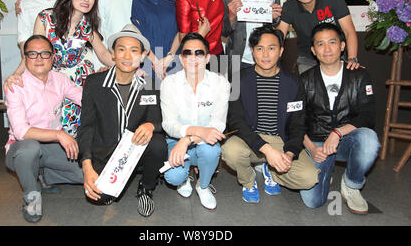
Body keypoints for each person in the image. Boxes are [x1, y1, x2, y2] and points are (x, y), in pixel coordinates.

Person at [5, 0, 114, 137]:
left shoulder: (86, 26)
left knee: (79, 128)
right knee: (48, 125)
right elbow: (34, 52)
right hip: (52, 82)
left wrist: (128, 65)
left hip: (80, 83)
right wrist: (16, 74)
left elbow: (104, 54)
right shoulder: (46, 18)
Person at [77, 24, 167, 217]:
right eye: (121, 49)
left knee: (158, 144)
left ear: (142, 56)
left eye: (134, 51)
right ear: (112, 54)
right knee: (100, 197)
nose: (127, 56)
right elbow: (87, 127)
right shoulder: (94, 83)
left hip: (136, 150)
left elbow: (158, 119)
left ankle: (146, 188)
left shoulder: (149, 86)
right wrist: (87, 166)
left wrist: (151, 124)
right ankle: (120, 178)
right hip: (106, 152)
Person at [221, 25, 318, 204]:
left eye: (271, 48)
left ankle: (271, 169)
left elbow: (298, 124)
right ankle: (249, 181)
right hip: (250, 138)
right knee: (230, 151)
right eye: (260, 48)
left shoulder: (294, 82)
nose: (265, 55)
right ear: (252, 51)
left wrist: (288, 154)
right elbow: (236, 121)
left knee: (309, 178)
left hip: (281, 140)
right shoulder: (238, 79)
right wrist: (266, 149)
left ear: (281, 51)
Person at [299, 23, 380, 214]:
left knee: (369, 140)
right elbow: (295, 121)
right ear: (313, 50)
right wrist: (311, 147)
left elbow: (368, 116)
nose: (327, 49)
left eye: (332, 42)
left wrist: (337, 132)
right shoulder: (303, 80)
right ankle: (326, 173)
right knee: (313, 201)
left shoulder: (359, 75)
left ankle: (351, 184)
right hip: (318, 143)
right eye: (320, 44)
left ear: (342, 45)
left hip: (346, 140)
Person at [4, 35, 84, 223]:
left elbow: (86, 99)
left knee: (84, 172)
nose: (39, 58)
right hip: (21, 148)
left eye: (45, 54)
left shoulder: (60, 79)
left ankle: (43, 176)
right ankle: (32, 198)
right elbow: (21, 131)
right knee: (30, 147)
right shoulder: (15, 85)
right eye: (32, 54)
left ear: (53, 57)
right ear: (25, 59)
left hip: (51, 147)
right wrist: (59, 134)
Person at [160, 33, 231, 210]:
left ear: (207, 58)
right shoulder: (169, 83)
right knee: (174, 177)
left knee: (211, 152)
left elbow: (218, 125)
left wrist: (188, 139)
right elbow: (169, 124)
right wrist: (189, 136)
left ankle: (203, 185)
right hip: (175, 140)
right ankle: (184, 179)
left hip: (203, 141)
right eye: (187, 53)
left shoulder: (220, 83)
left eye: (199, 53)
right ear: (181, 58)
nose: (193, 58)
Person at [277, 0, 360, 74]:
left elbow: (348, 31)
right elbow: (279, 36)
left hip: (336, 55)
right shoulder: (289, 7)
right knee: (309, 87)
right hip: (308, 58)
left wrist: (352, 58)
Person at [131, 0, 182, 81]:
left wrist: (169, 58)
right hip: (147, 63)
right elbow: (138, 34)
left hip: (174, 61)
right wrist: (156, 62)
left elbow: (182, 31)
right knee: (149, 99)